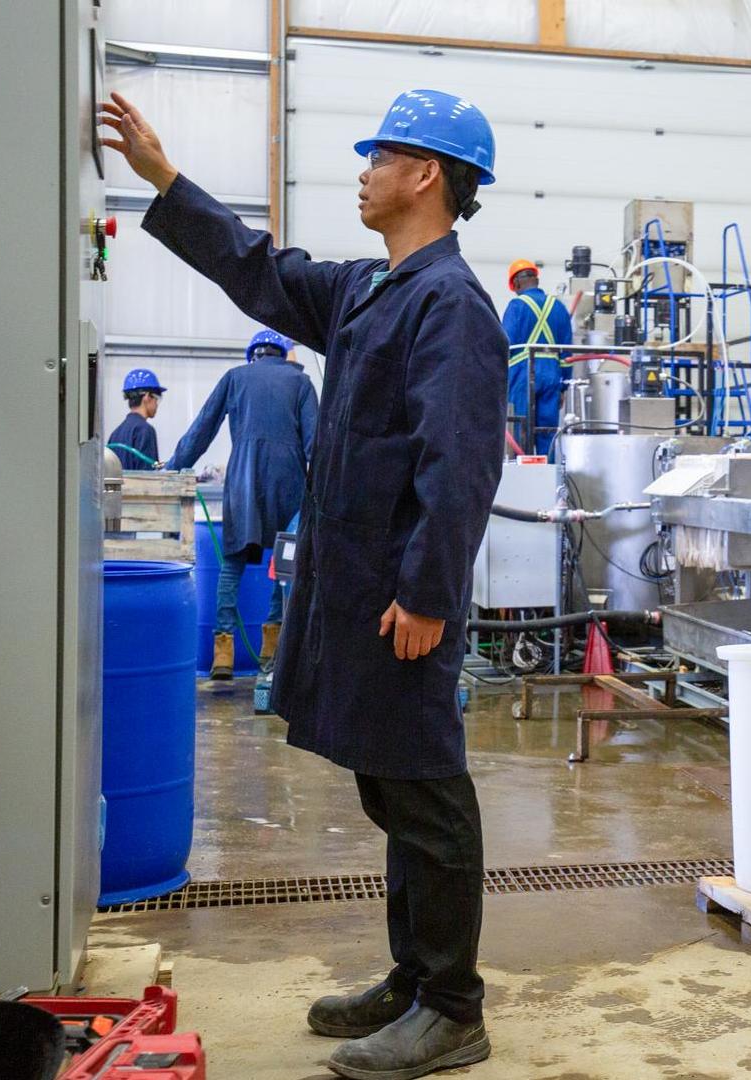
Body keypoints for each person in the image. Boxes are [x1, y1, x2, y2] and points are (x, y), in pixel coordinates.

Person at [100, 87, 504, 1080]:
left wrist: (427, 595)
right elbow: (260, 271)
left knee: (427, 791)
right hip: (358, 589)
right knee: (392, 789)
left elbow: (456, 466)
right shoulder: (372, 290)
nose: (361, 171)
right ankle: (414, 979)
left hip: (403, 597)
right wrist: (163, 179)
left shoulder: (451, 306)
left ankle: (453, 1006)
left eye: (380, 157)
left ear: (426, 175)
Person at [164, 329, 318, 680]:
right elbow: (316, 444)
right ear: (283, 354)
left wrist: (175, 465)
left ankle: (223, 654)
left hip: (243, 483)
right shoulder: (301, 384)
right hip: (289, 484)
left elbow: (204, 427)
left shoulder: (234, 378)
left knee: (231, 565)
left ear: (254, 354)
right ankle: (273, 652)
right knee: (285, 565)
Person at [501, 259, 572, 454]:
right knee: (547, 431)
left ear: (515, 283)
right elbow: (567, 353)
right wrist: (564, 386)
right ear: (536, 279)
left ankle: (520, 475)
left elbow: (504, 344)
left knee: (518, 429)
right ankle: (546, 477)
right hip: (552, 375)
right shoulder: (558, 307)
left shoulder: (516, 306)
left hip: (521, 375)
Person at [109, 368, 166, 468]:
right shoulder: (144, 430)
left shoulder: (115, 434)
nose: (157, 404)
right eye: (156, 398)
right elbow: (148, 477)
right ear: (147, 397)